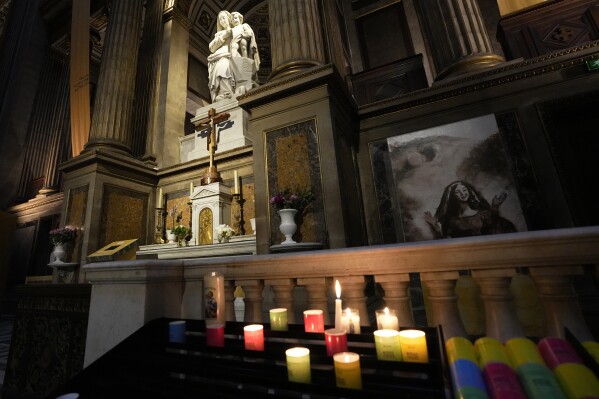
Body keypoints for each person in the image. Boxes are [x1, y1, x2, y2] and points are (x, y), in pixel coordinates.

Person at [424, 181, 517, 238]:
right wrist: (435, 225)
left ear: (469, 191)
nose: (463, 194)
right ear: (453, 196)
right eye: (458, 192)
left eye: (464, 190)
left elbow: (494, 225)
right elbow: (447, 239)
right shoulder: (451, 220)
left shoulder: (481, 210)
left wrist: (495, 207)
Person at [207, 11, 235, 102]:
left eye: (223, 18)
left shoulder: (235, 30)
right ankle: (221, 93)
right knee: (220, 68)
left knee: (224, 68)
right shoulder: (219, 34)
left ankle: (226, 92)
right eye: (220, 19)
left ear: (228, 18)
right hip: (218, 57)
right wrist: (223, 37)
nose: (222, 21)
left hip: (229, 56)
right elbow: (211, 48)